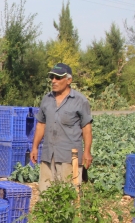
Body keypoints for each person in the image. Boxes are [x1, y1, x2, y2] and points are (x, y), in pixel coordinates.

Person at [30, 63, 93, 192]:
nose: (53, 81)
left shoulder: (80, 101)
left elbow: (86, 128)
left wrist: (87, 152)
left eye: (58, 78)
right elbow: (41, 124)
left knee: (69, 195)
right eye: (52, 77)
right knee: (46, 193)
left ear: (69, 80)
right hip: (48, 154)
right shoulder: (46, 99)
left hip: (69, 157)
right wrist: (35, 147)